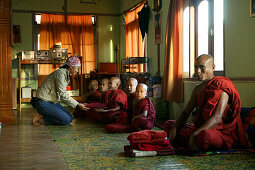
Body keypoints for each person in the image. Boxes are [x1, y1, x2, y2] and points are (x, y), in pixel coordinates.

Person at [164, 54, 247, 151]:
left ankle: (193, 140)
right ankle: (192, 142)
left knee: (204, 136)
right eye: (196, 67)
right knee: (169, 124)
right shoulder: (198, 89)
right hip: (200, 127)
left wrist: (195, 134)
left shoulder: (222, 87)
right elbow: (186, 112)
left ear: (213, 67)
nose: (197, 71)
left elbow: (217, 118)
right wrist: (175, 128)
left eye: (202, 67)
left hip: (218, 130)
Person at [31, 56, 87, 126]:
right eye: (77, 68)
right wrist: (77, 105)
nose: (77, 71)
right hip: (43, 102)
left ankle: (43, 114)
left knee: (70, 118)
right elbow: (63, 95)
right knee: (66, 120)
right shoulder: (60, 73)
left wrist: (76, 104)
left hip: (51, 102)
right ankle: (42, 116)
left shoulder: (65, 74)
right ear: (71, 67)